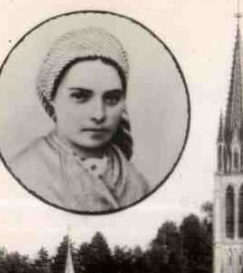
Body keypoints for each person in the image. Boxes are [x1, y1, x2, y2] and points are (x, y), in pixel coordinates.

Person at [11, 26, 150, 213]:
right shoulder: (26, 171)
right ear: (52, 99)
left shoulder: (135, 180)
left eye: (111, 98)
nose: (99, 114)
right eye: (80, 96)